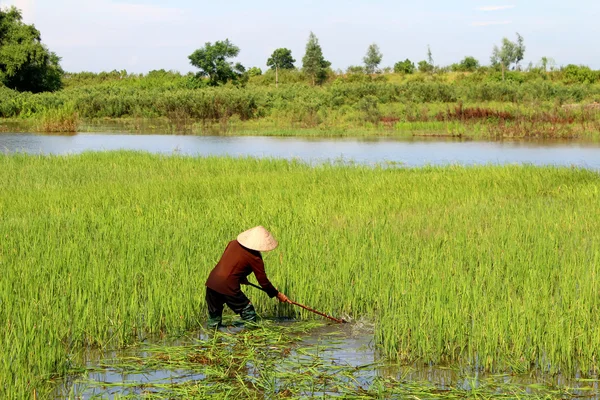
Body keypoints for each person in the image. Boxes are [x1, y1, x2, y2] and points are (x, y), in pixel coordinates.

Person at [205, 226, 290, 328]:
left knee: (214, 319)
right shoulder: (255, 257)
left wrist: (241, 277)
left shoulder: (233, 243)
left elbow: (231, 265)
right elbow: (263, 281)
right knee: (248, 312)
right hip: (228, 286)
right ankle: (249, 338)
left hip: (212, 283)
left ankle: (212, 340)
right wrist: (277, 294)